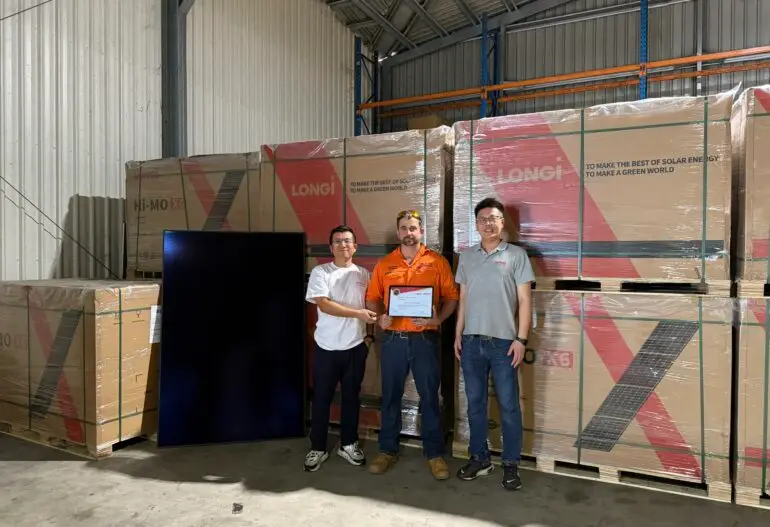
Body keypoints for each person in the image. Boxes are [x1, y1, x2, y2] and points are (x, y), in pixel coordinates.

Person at [365, 210, 458, 480]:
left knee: (430, 398)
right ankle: (387, 450)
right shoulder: (385, 264)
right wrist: (379, 318)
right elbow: (372, 297)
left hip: (425, 340)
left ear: (421, 232)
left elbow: (452, 297)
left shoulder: (437, 262)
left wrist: (438, 317)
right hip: (393, 340)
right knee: (390, 396)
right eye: (404, 228)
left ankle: (434, 454)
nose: (409, 232)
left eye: (413, 228)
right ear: (398, 233)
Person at [454, 197, 535, 491]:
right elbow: (462, 299)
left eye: (495, 218)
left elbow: (525, 300)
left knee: (509, 406)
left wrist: (521, 339)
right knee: (475, 405)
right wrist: (458, 334)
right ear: (476, 225)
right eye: (483, 219)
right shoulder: (467, 257)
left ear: (503, 223)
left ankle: (511, 464)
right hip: (471, 343)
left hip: (503, 345)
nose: (489, 223)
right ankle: (480, 458)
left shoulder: (516, 256)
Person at [303, 225, 379, 472]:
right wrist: (358, 313)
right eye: (338, 241)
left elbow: (370, 306)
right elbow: (324, 305)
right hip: (326, 348)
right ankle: (318, 448)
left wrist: (368, 339)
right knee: (322, 399)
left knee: (351, 399)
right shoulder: (320, 272)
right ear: (330, 247)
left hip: (355, 348)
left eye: (348, 241)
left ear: (355, 247)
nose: (343, 245)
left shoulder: (364, 274)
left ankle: (348, 444)